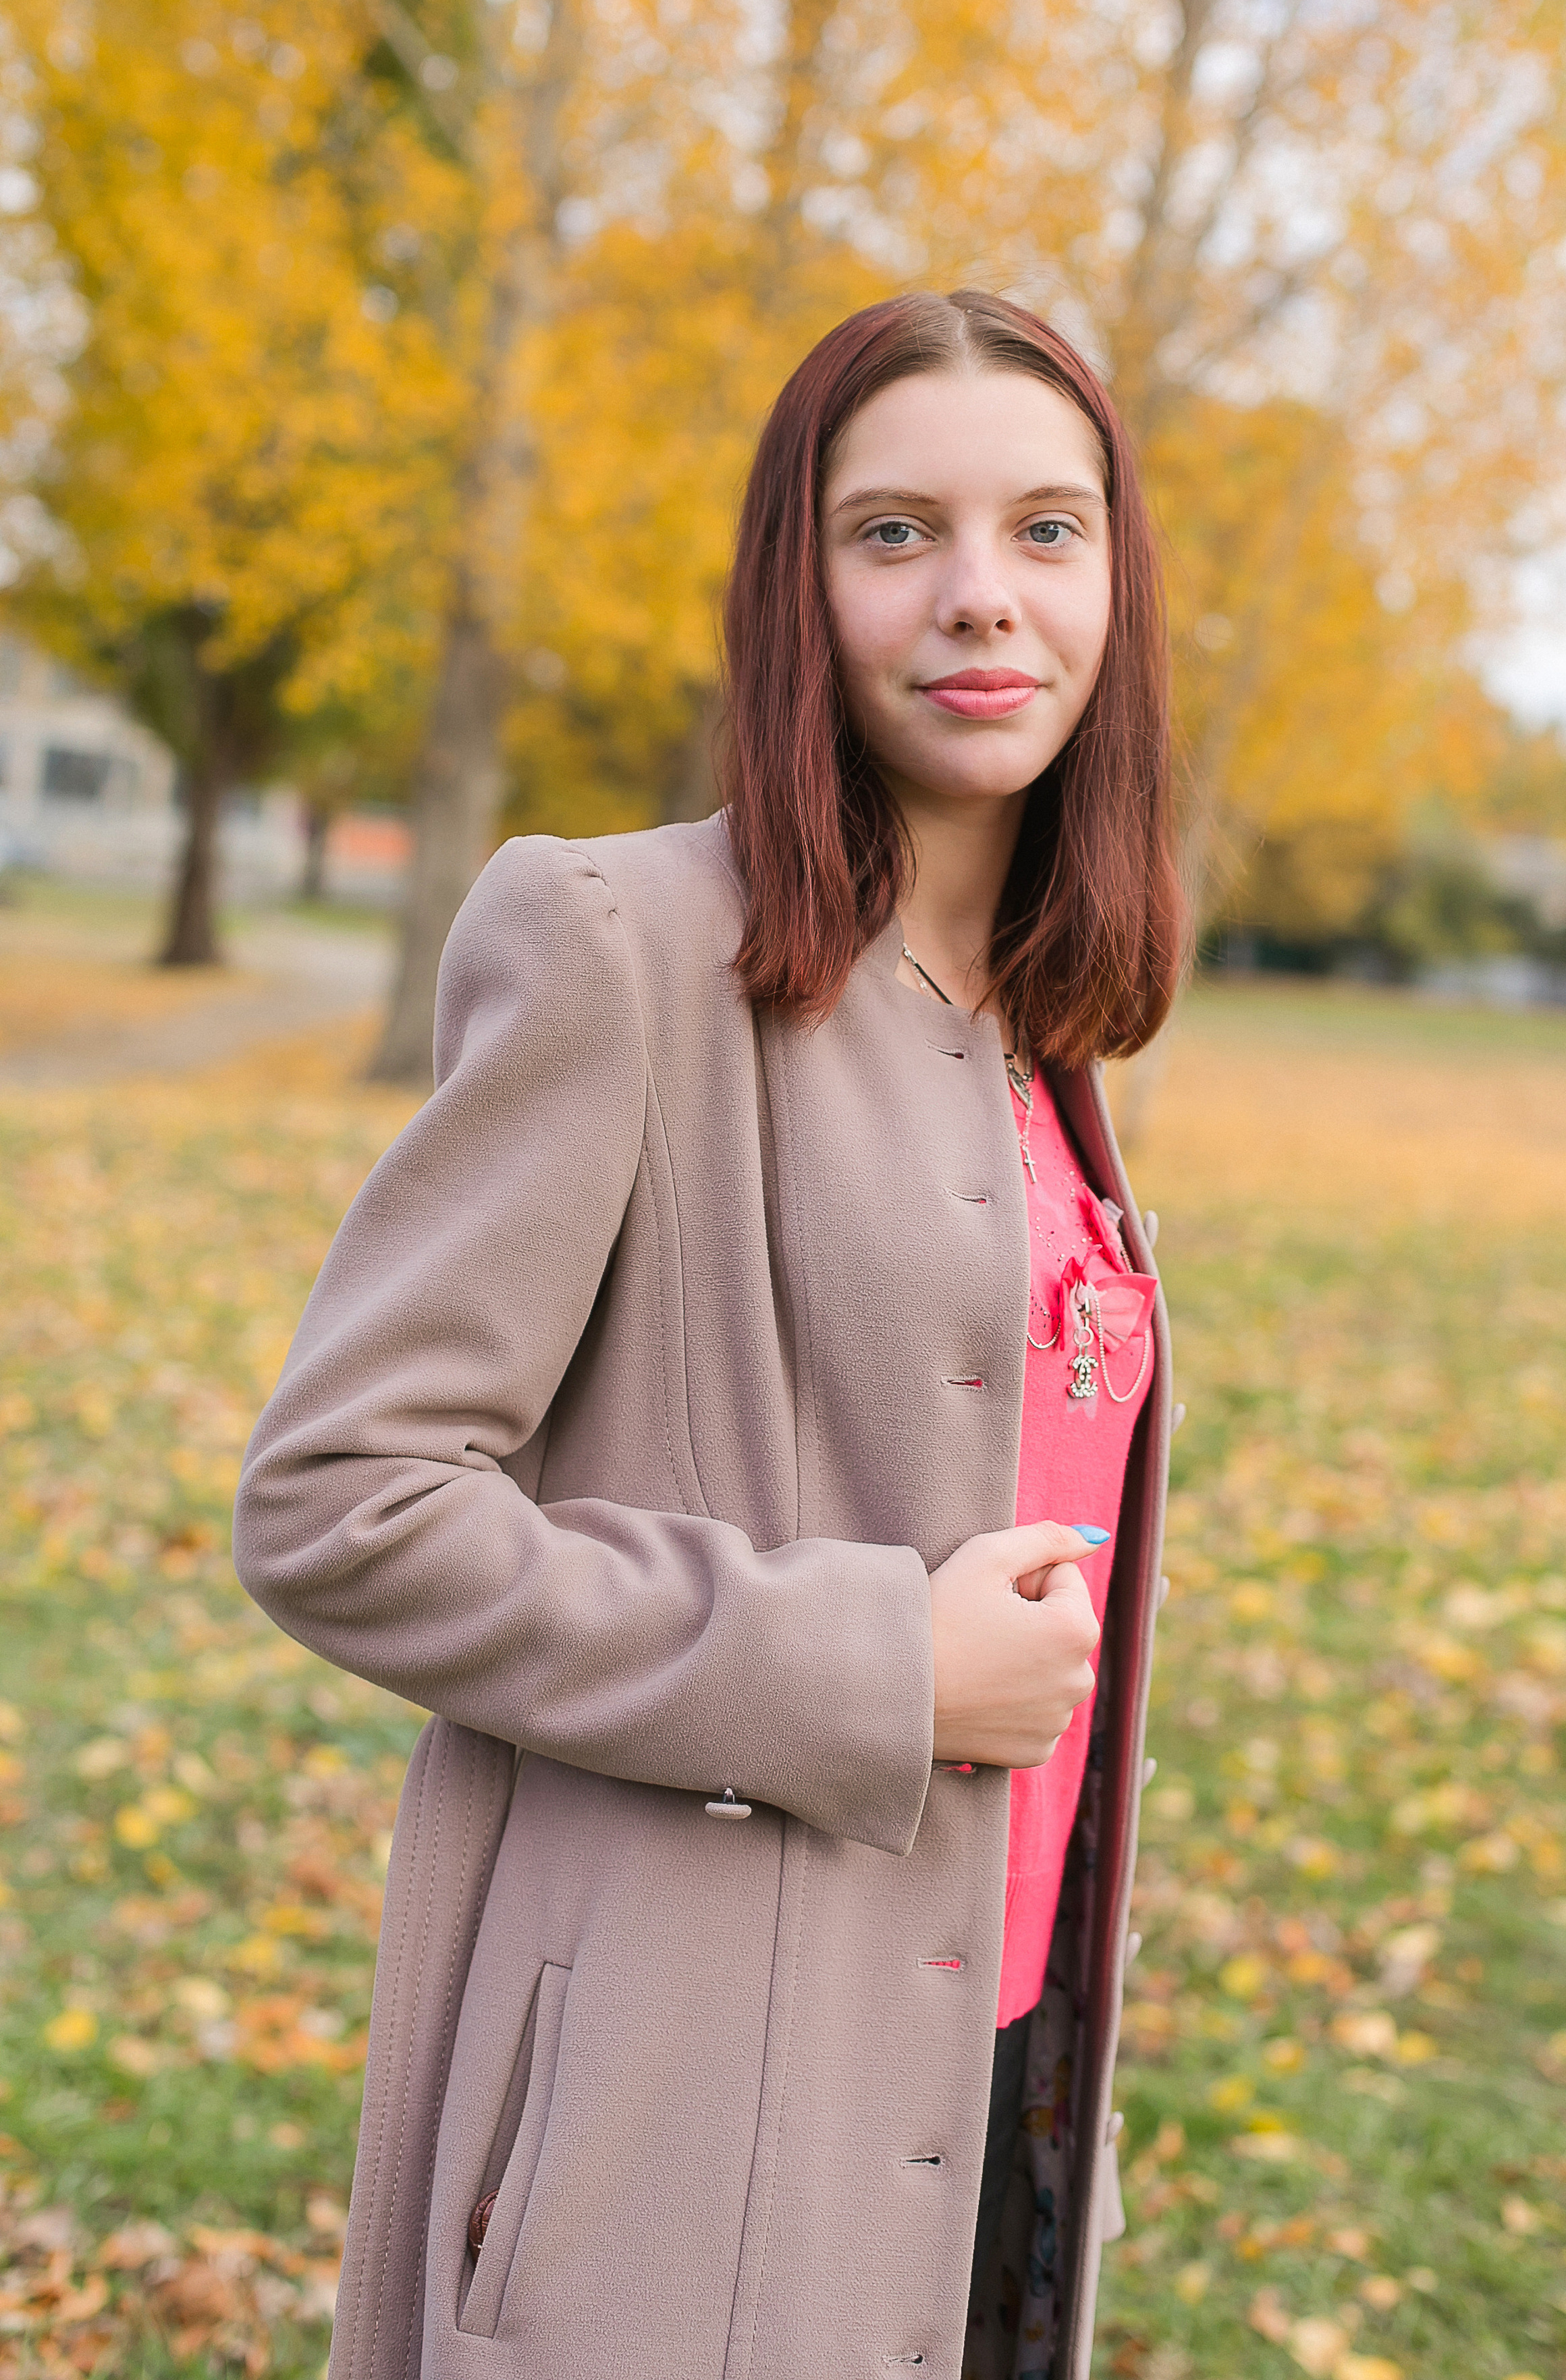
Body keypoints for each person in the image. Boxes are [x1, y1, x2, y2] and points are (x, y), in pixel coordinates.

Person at [234, 287, 1185, 2380]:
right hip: (692, 2131)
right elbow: (341, 1505)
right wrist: (874, 1660)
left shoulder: (1042, 1041)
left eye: (1047, 529)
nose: (980, 599)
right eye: (892, 533)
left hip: (994, 2091)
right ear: (798, 583)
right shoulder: (622, 948)